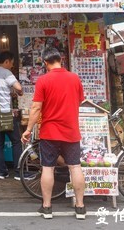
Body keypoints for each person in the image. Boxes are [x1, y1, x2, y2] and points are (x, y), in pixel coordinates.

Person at [21, 47, 85, 220]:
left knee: (48, 168)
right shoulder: (74, 78)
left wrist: (28, 129)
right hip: (71, 131)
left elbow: (36, 108)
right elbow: (79, 101)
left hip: (49, 132)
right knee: (75, 167)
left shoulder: (43, 81)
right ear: (61, 60)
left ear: (45, 62)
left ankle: (47, 207)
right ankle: (80, 208)